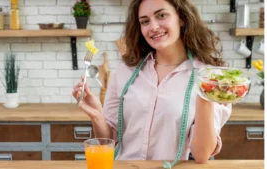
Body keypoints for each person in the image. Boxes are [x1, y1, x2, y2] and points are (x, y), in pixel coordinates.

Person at [72, 0, 232, 165]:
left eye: (161, 15)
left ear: (182, 18)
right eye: (145, 21)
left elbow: (202, 154)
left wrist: (205, 95)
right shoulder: (126, 72)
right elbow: (110, 139)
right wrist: (97, 116)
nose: (153, 27)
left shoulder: (210, 77)